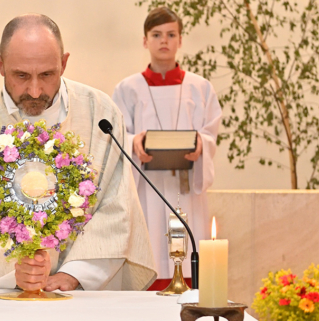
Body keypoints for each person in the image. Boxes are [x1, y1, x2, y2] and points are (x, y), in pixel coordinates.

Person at [0, 14, 156, 292]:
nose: (35, 90)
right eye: (21, 75)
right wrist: (20, 268)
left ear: (64, 63)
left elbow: (116, 202)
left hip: (84, 291)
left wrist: (75, 273)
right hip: (7, 292)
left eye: (47, 74)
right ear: (0, 65)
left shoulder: (100, 114)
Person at [112, 7, 222, 291]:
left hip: (184, 186)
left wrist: (202, 144)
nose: (164, 41)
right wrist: (133, 141)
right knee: (150, 249)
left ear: (180, 40)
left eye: (171, 35)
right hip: (148, 188)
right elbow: (116, 135)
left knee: (189, 254)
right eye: (157, 35)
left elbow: (210, 133)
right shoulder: (128, 89)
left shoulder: (200, 88)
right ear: (145, 41)